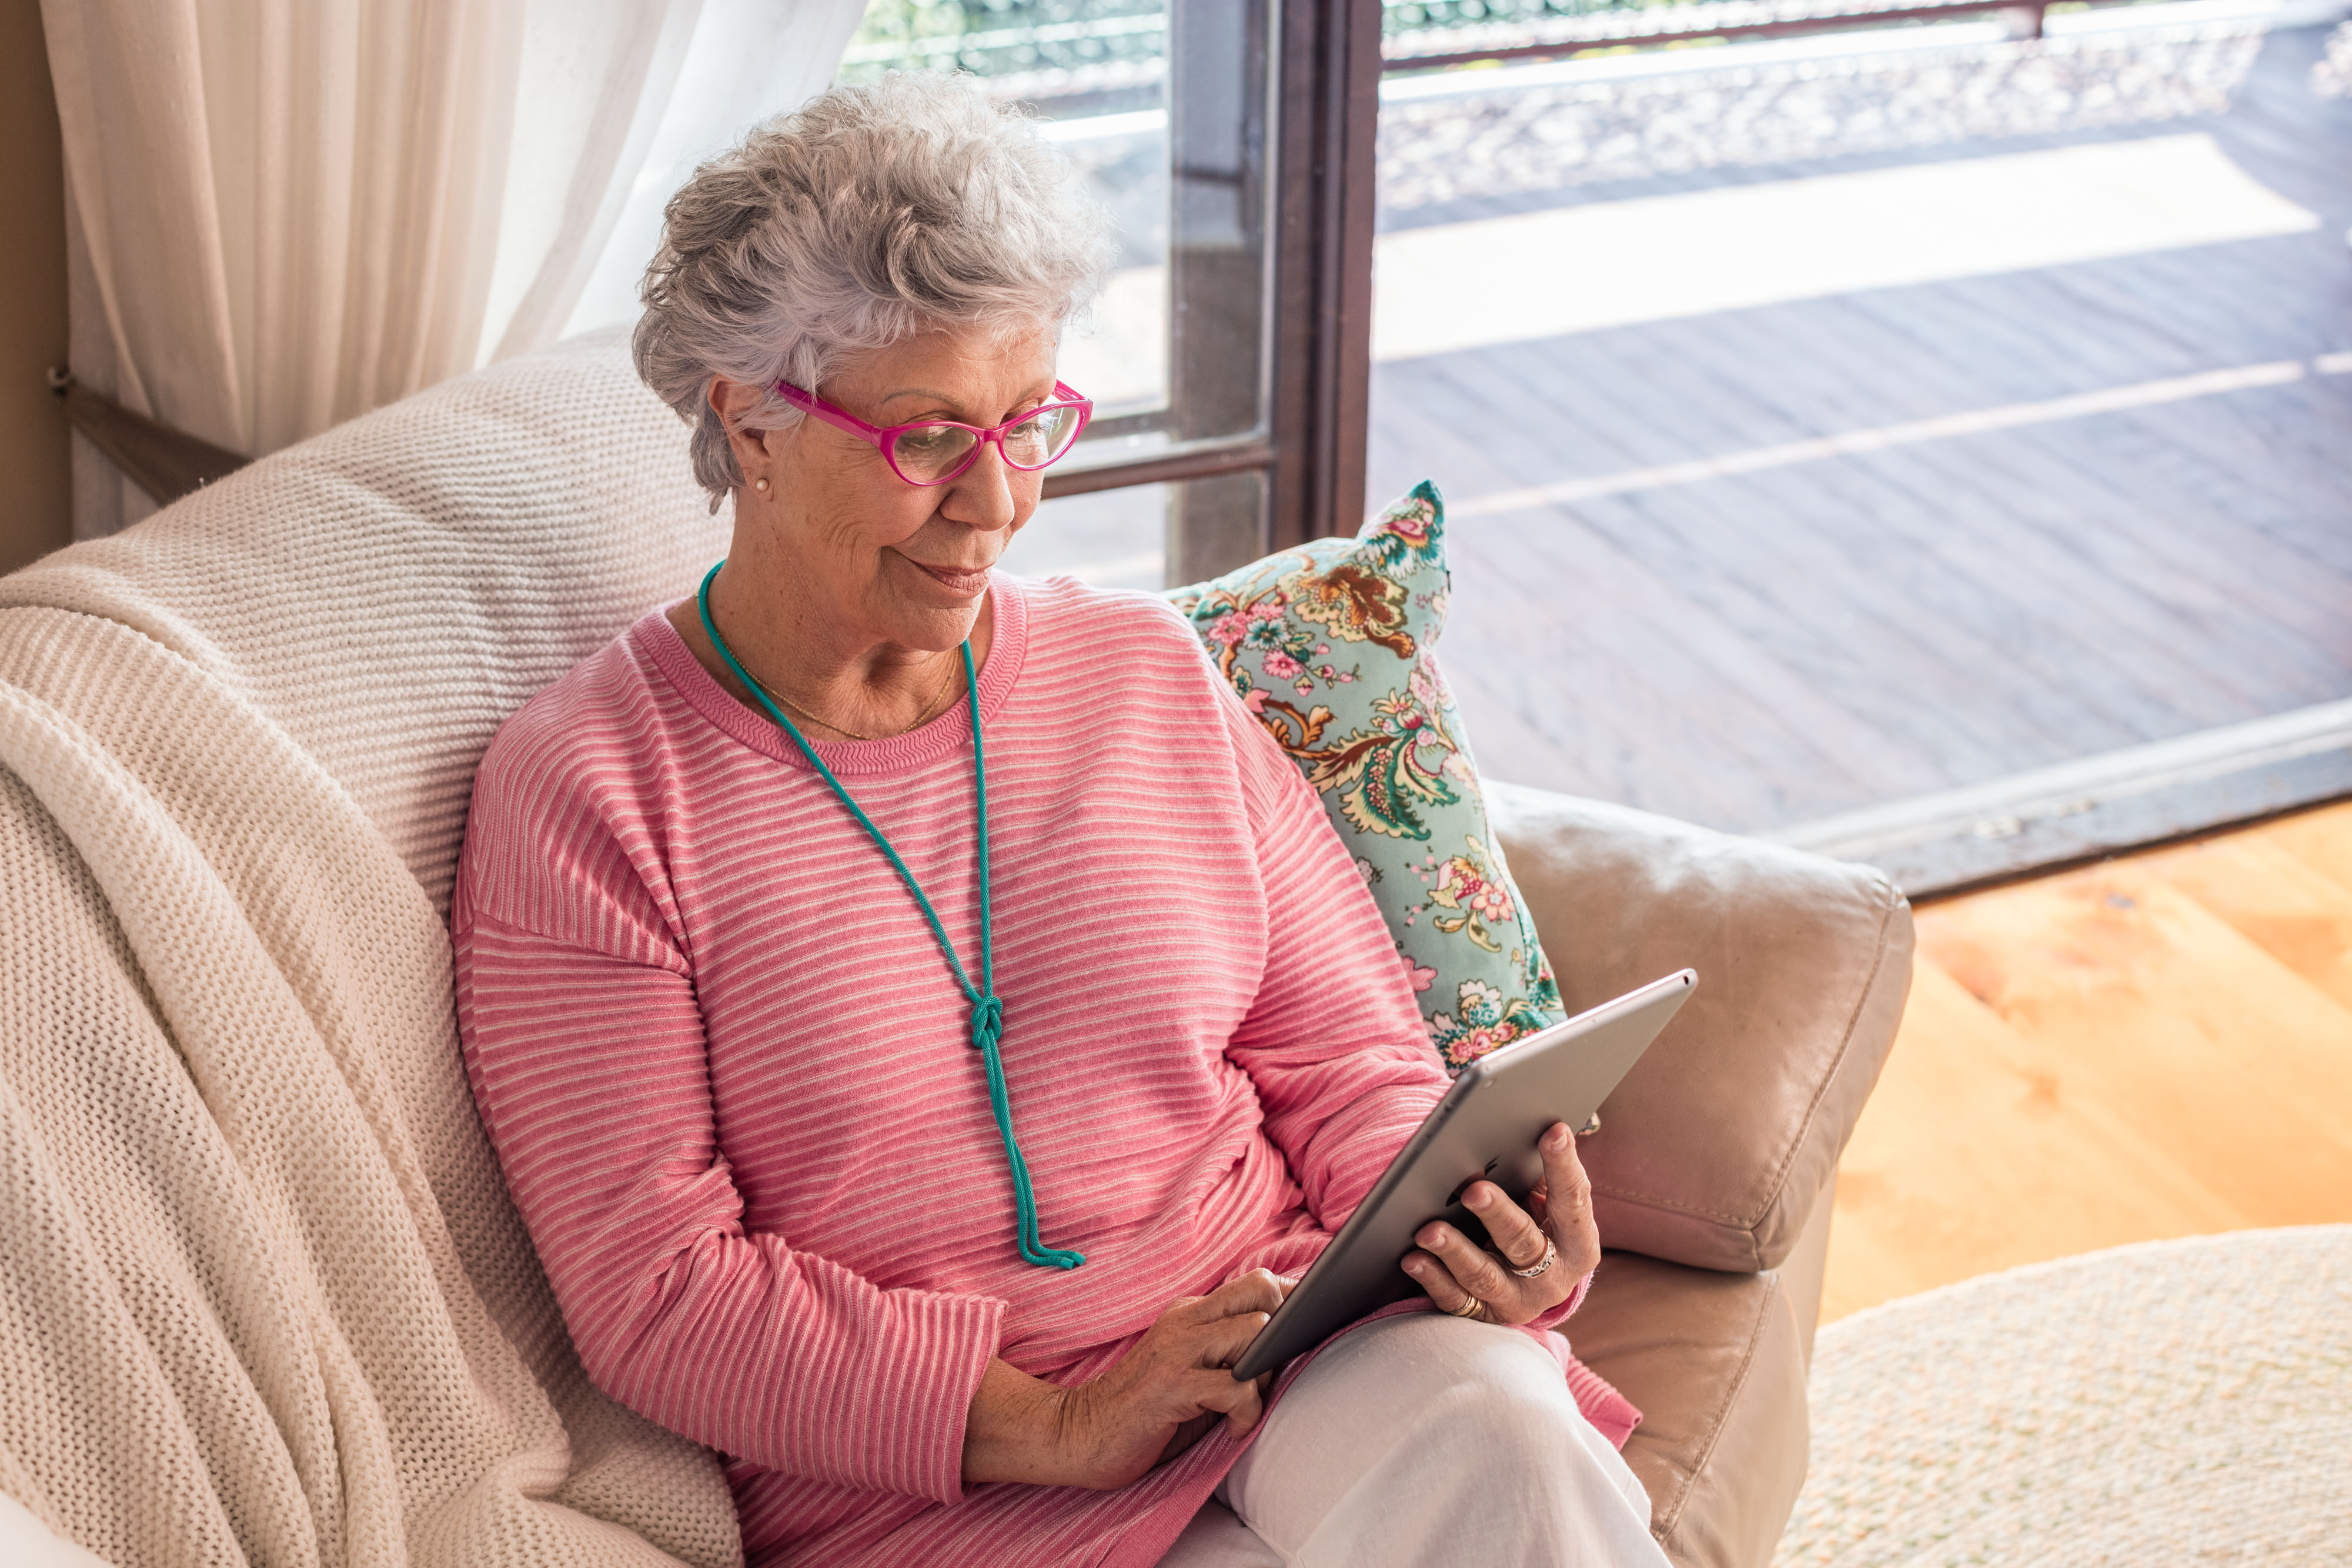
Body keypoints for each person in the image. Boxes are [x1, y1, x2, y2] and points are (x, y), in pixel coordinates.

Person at [450, 72, 1669, 1568]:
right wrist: (1057, 1420)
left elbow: (1340, 1047)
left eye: (1028, 420)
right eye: (925, 437)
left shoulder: (1141, 669)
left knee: (1501, 1441)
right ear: (750, 422)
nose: (995, 500)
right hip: (947, 1488)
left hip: (1285, 1337)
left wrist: (1453, 1229)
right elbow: (661, 1287)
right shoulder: (589, 793)